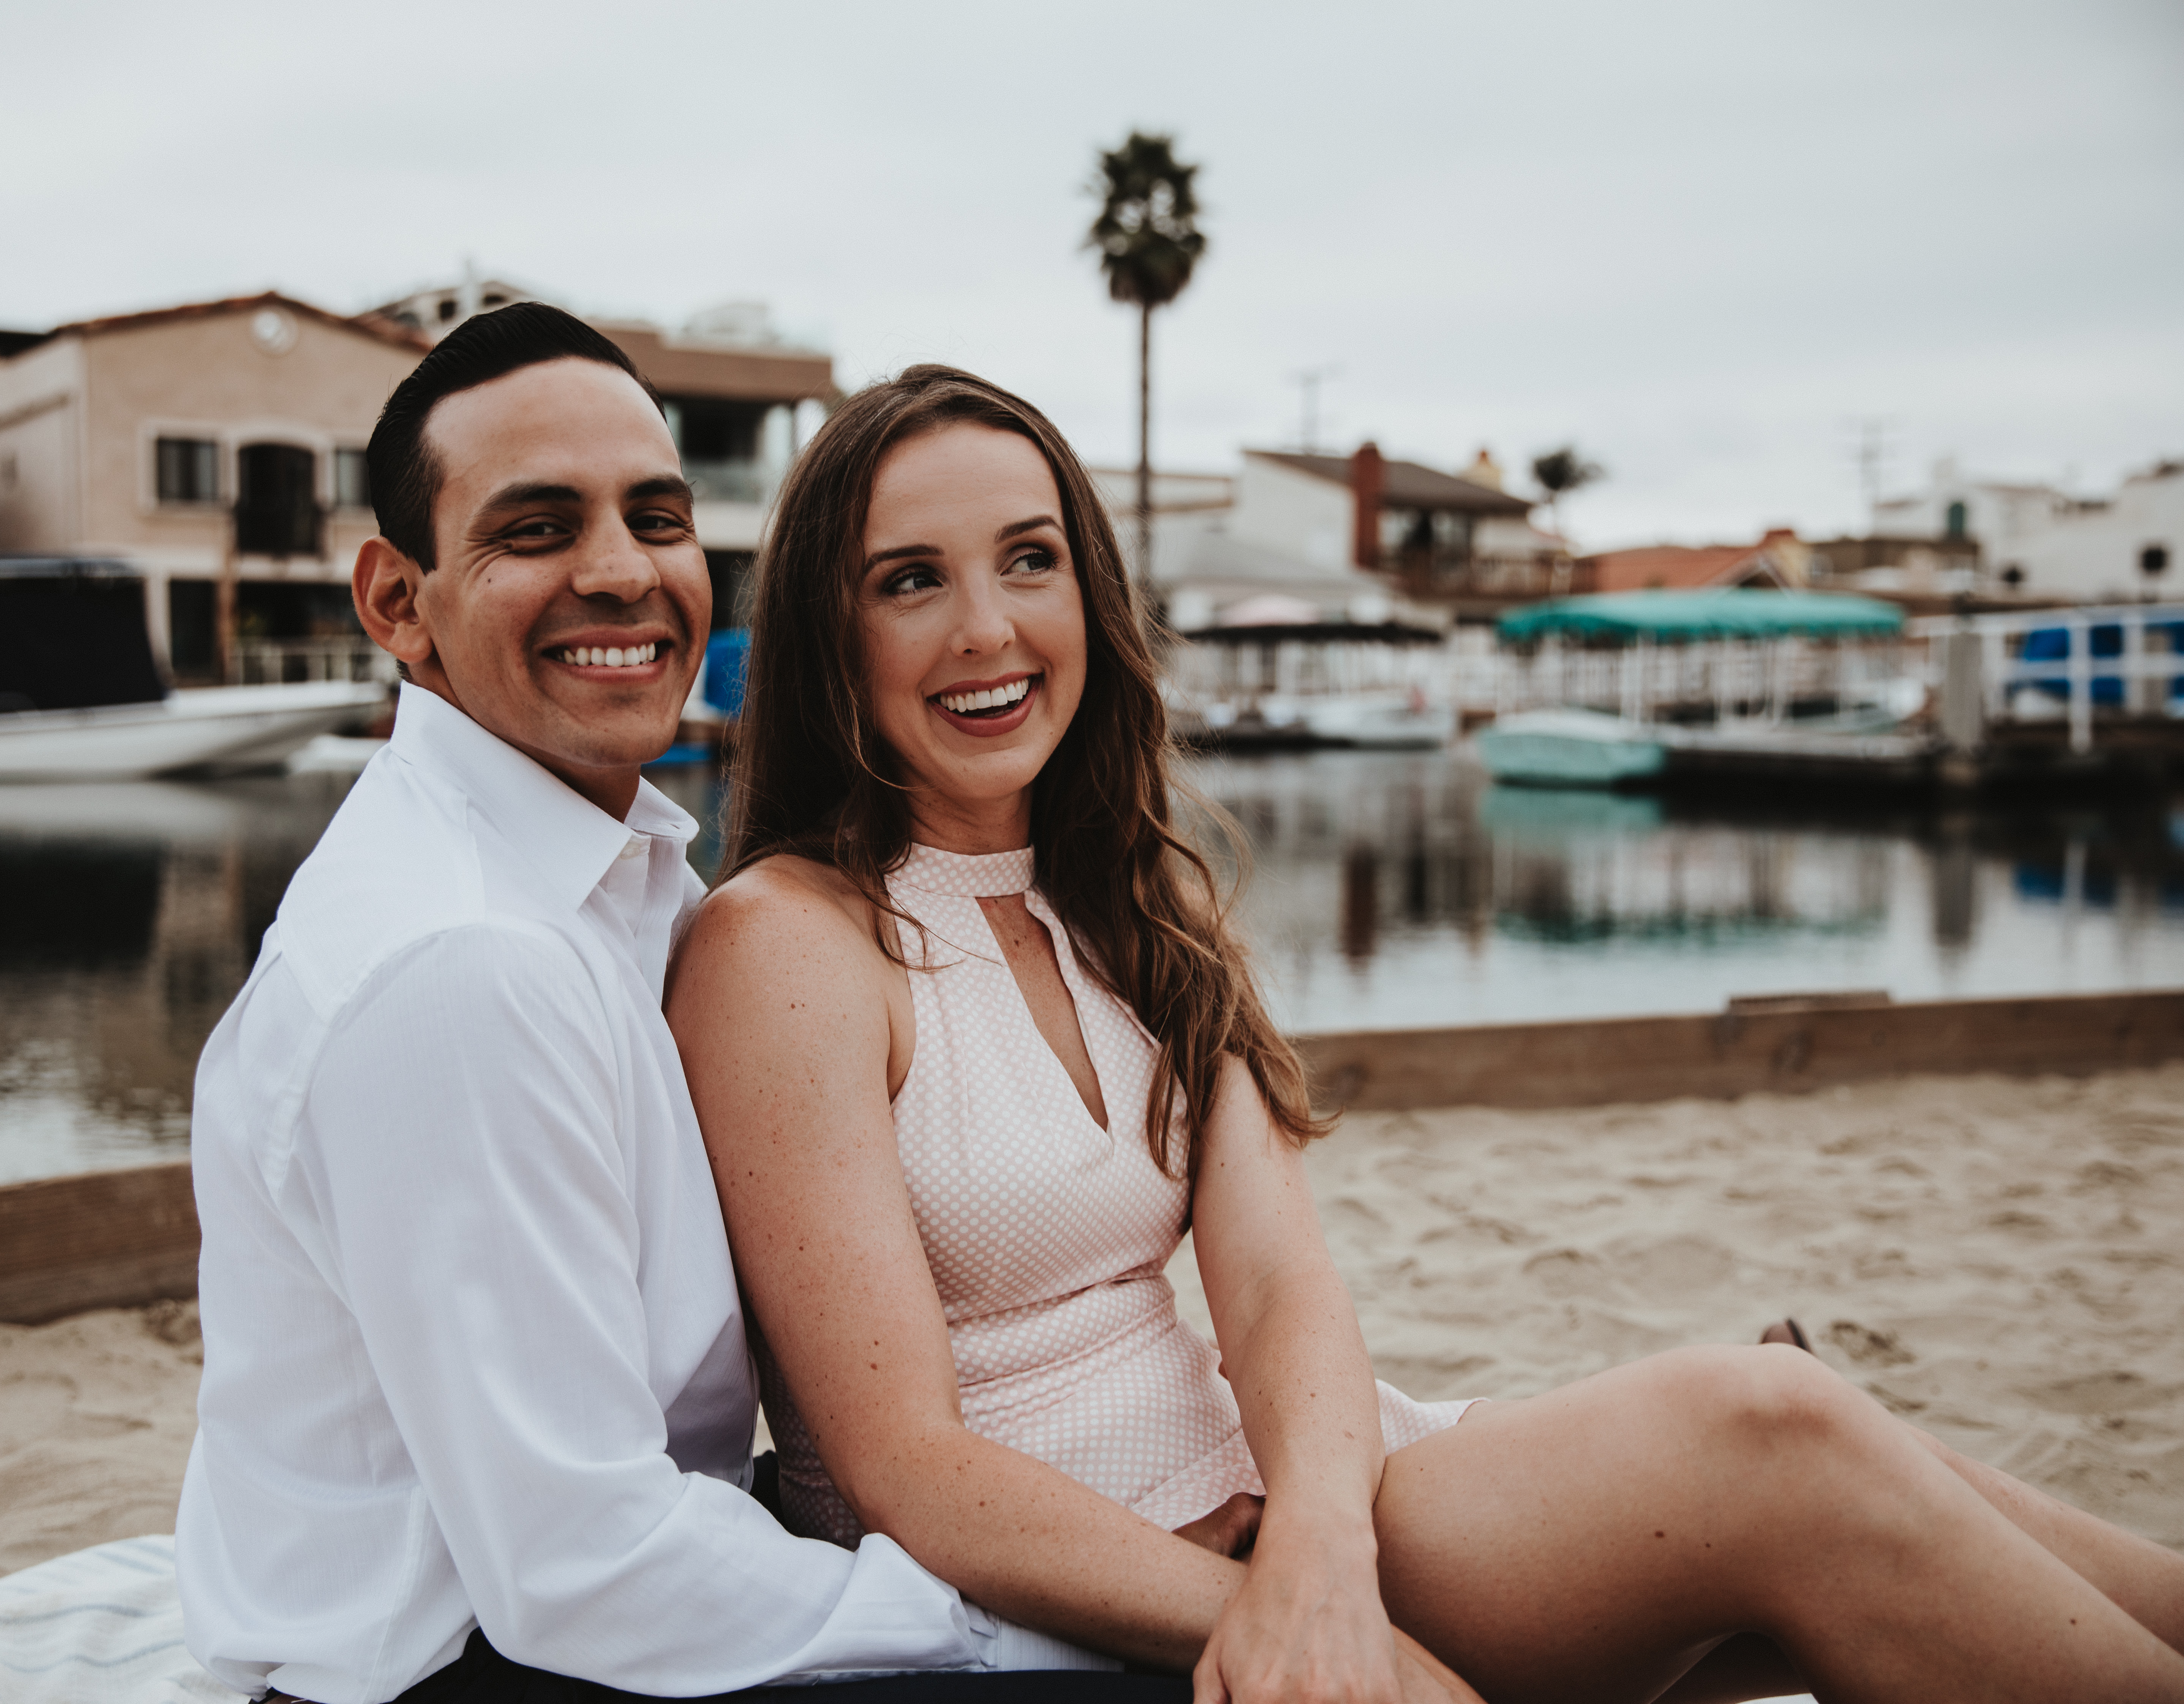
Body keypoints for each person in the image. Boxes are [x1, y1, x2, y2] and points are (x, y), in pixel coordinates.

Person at [664, 364, 2184, 1704]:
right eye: (910, 579)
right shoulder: (787, 944)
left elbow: (1276, 1287)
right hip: (1088, 1585)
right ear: (828, 630)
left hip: (1307, 1498)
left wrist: (1322, 1547)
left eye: (1031, 559)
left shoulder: (1126, 896)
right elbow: (898, 1467)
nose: (987, 626)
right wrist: (1290, 1612)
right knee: (1772, 1423)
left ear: (1091, 594)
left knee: (1877, 1480)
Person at [174, 307, 1193, 1704]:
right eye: (535, 529)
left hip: (590, 1586)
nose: (620, 572)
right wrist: (1026, 1629)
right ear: (396, 602)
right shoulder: (465, 963)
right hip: (460, 1666)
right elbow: (591, 1572)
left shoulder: (607, 876)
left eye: (655, 518)